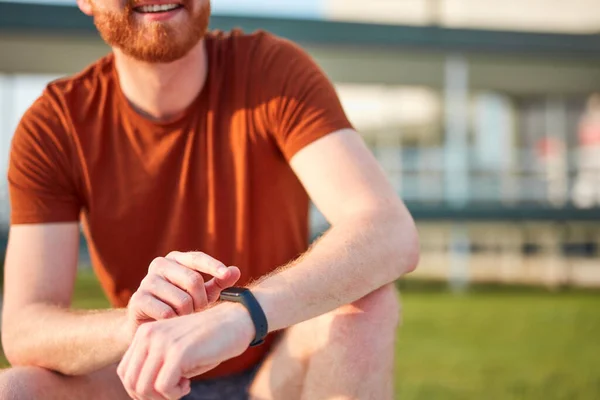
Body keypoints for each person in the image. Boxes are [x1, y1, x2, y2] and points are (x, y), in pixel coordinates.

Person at [0, 0, 419, 398]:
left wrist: (241, 314)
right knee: (13, 390)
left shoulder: (273, 71)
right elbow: (24, 327)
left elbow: (388, 229)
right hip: (146, 376)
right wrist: (134, 325)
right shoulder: (57, 125)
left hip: (277, 372)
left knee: (369, 305)